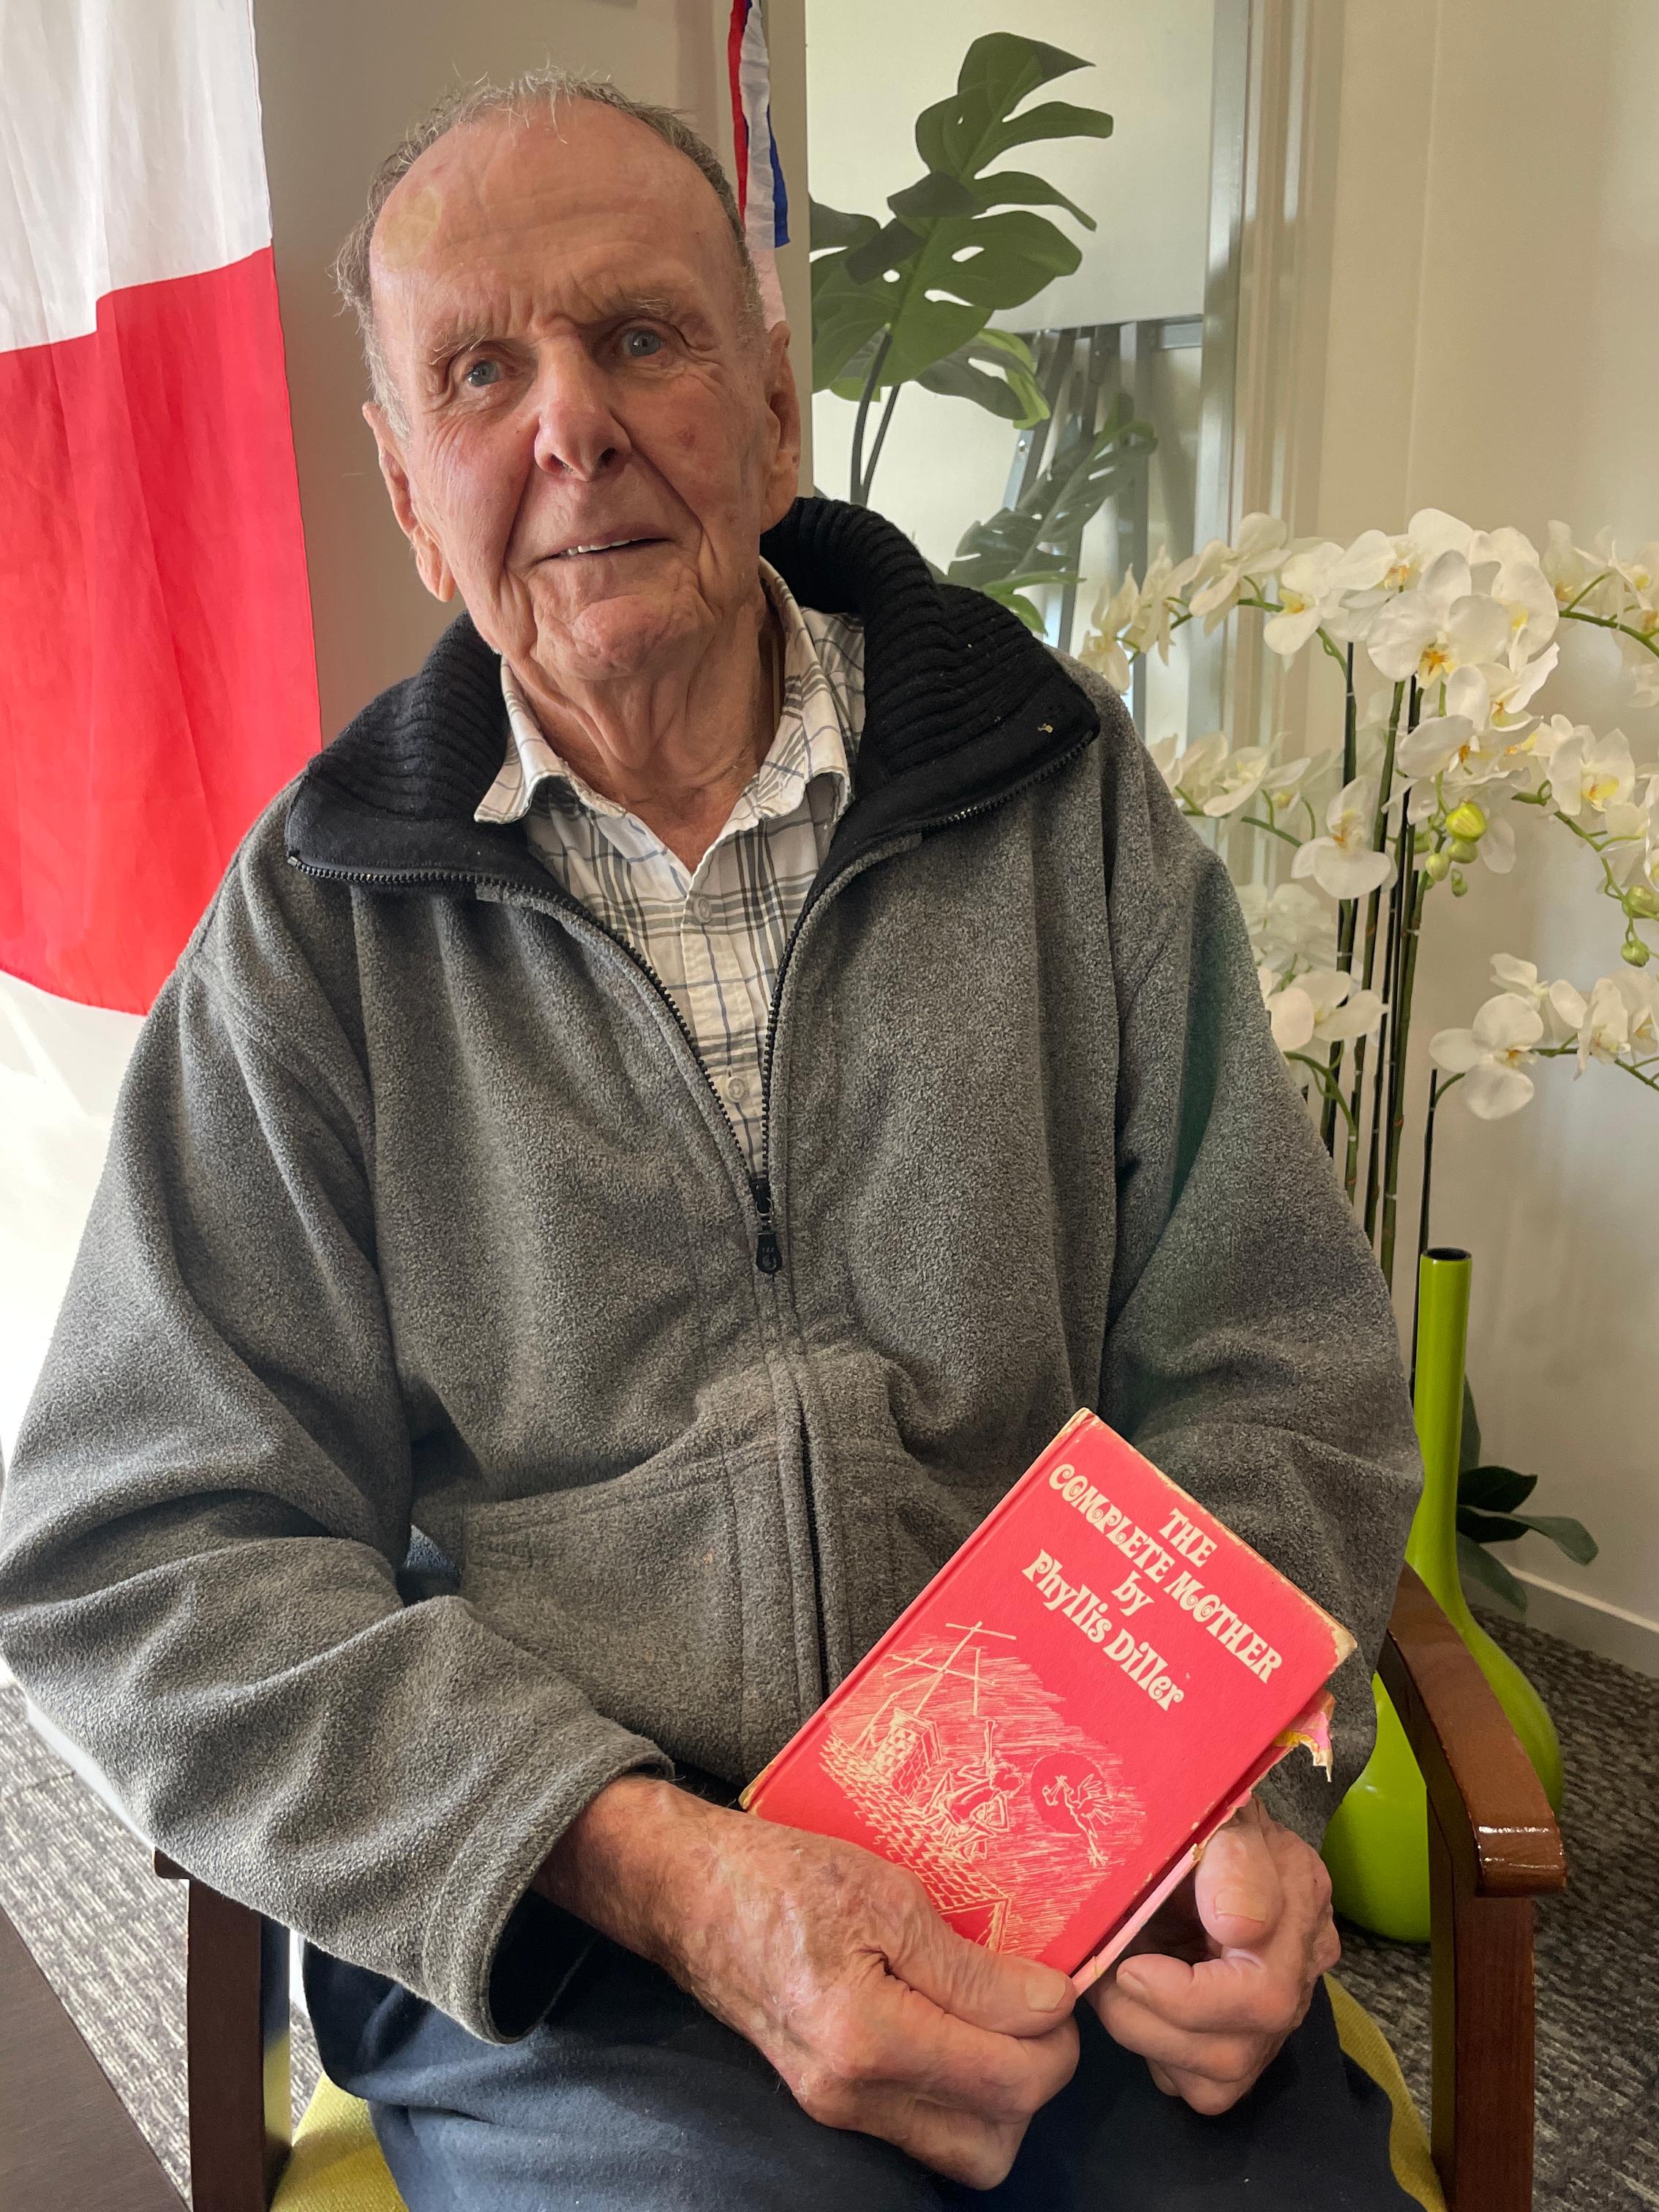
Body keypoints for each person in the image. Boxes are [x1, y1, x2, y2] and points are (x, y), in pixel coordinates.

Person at [0, 69, 1423, 2211]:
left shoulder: (1060, 801)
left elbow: (1277, 1367)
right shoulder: (311, 933)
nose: (569, 426)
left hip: (1085, 1857)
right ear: (410, 491)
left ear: (770, 410)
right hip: (577, 1934)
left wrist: (1241, 1801)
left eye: (639, 336)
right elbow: (139, 1557)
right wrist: (650, 1862)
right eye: (480, 375)